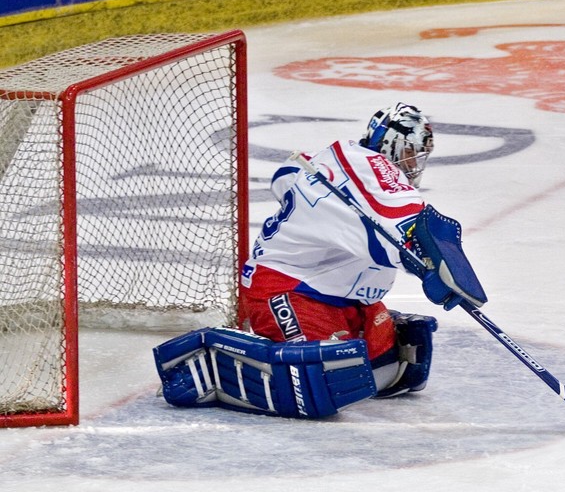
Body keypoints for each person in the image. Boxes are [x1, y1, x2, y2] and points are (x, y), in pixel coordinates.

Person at [152, 102, 487, 418]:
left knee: (399, 364)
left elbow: (286, 174)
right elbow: (399, 220)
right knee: (320, 382)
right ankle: (215, 360)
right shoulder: (359, 167)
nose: (414, 165)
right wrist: (427, 257)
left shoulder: (351, 180)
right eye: (410, 153)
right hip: (288, 292)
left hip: (346, 300)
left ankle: (332, 341)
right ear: (390, 145)